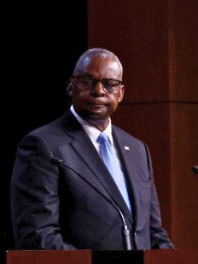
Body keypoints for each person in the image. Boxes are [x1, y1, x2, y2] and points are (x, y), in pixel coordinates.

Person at [10, 48, 173, 250]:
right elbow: (37, 236)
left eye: (110, 84)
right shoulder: (43, 146)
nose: (99, 91)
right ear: (71, 86)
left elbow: (153, 232)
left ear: (121, 93)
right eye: (88, 81)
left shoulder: (139, 151)